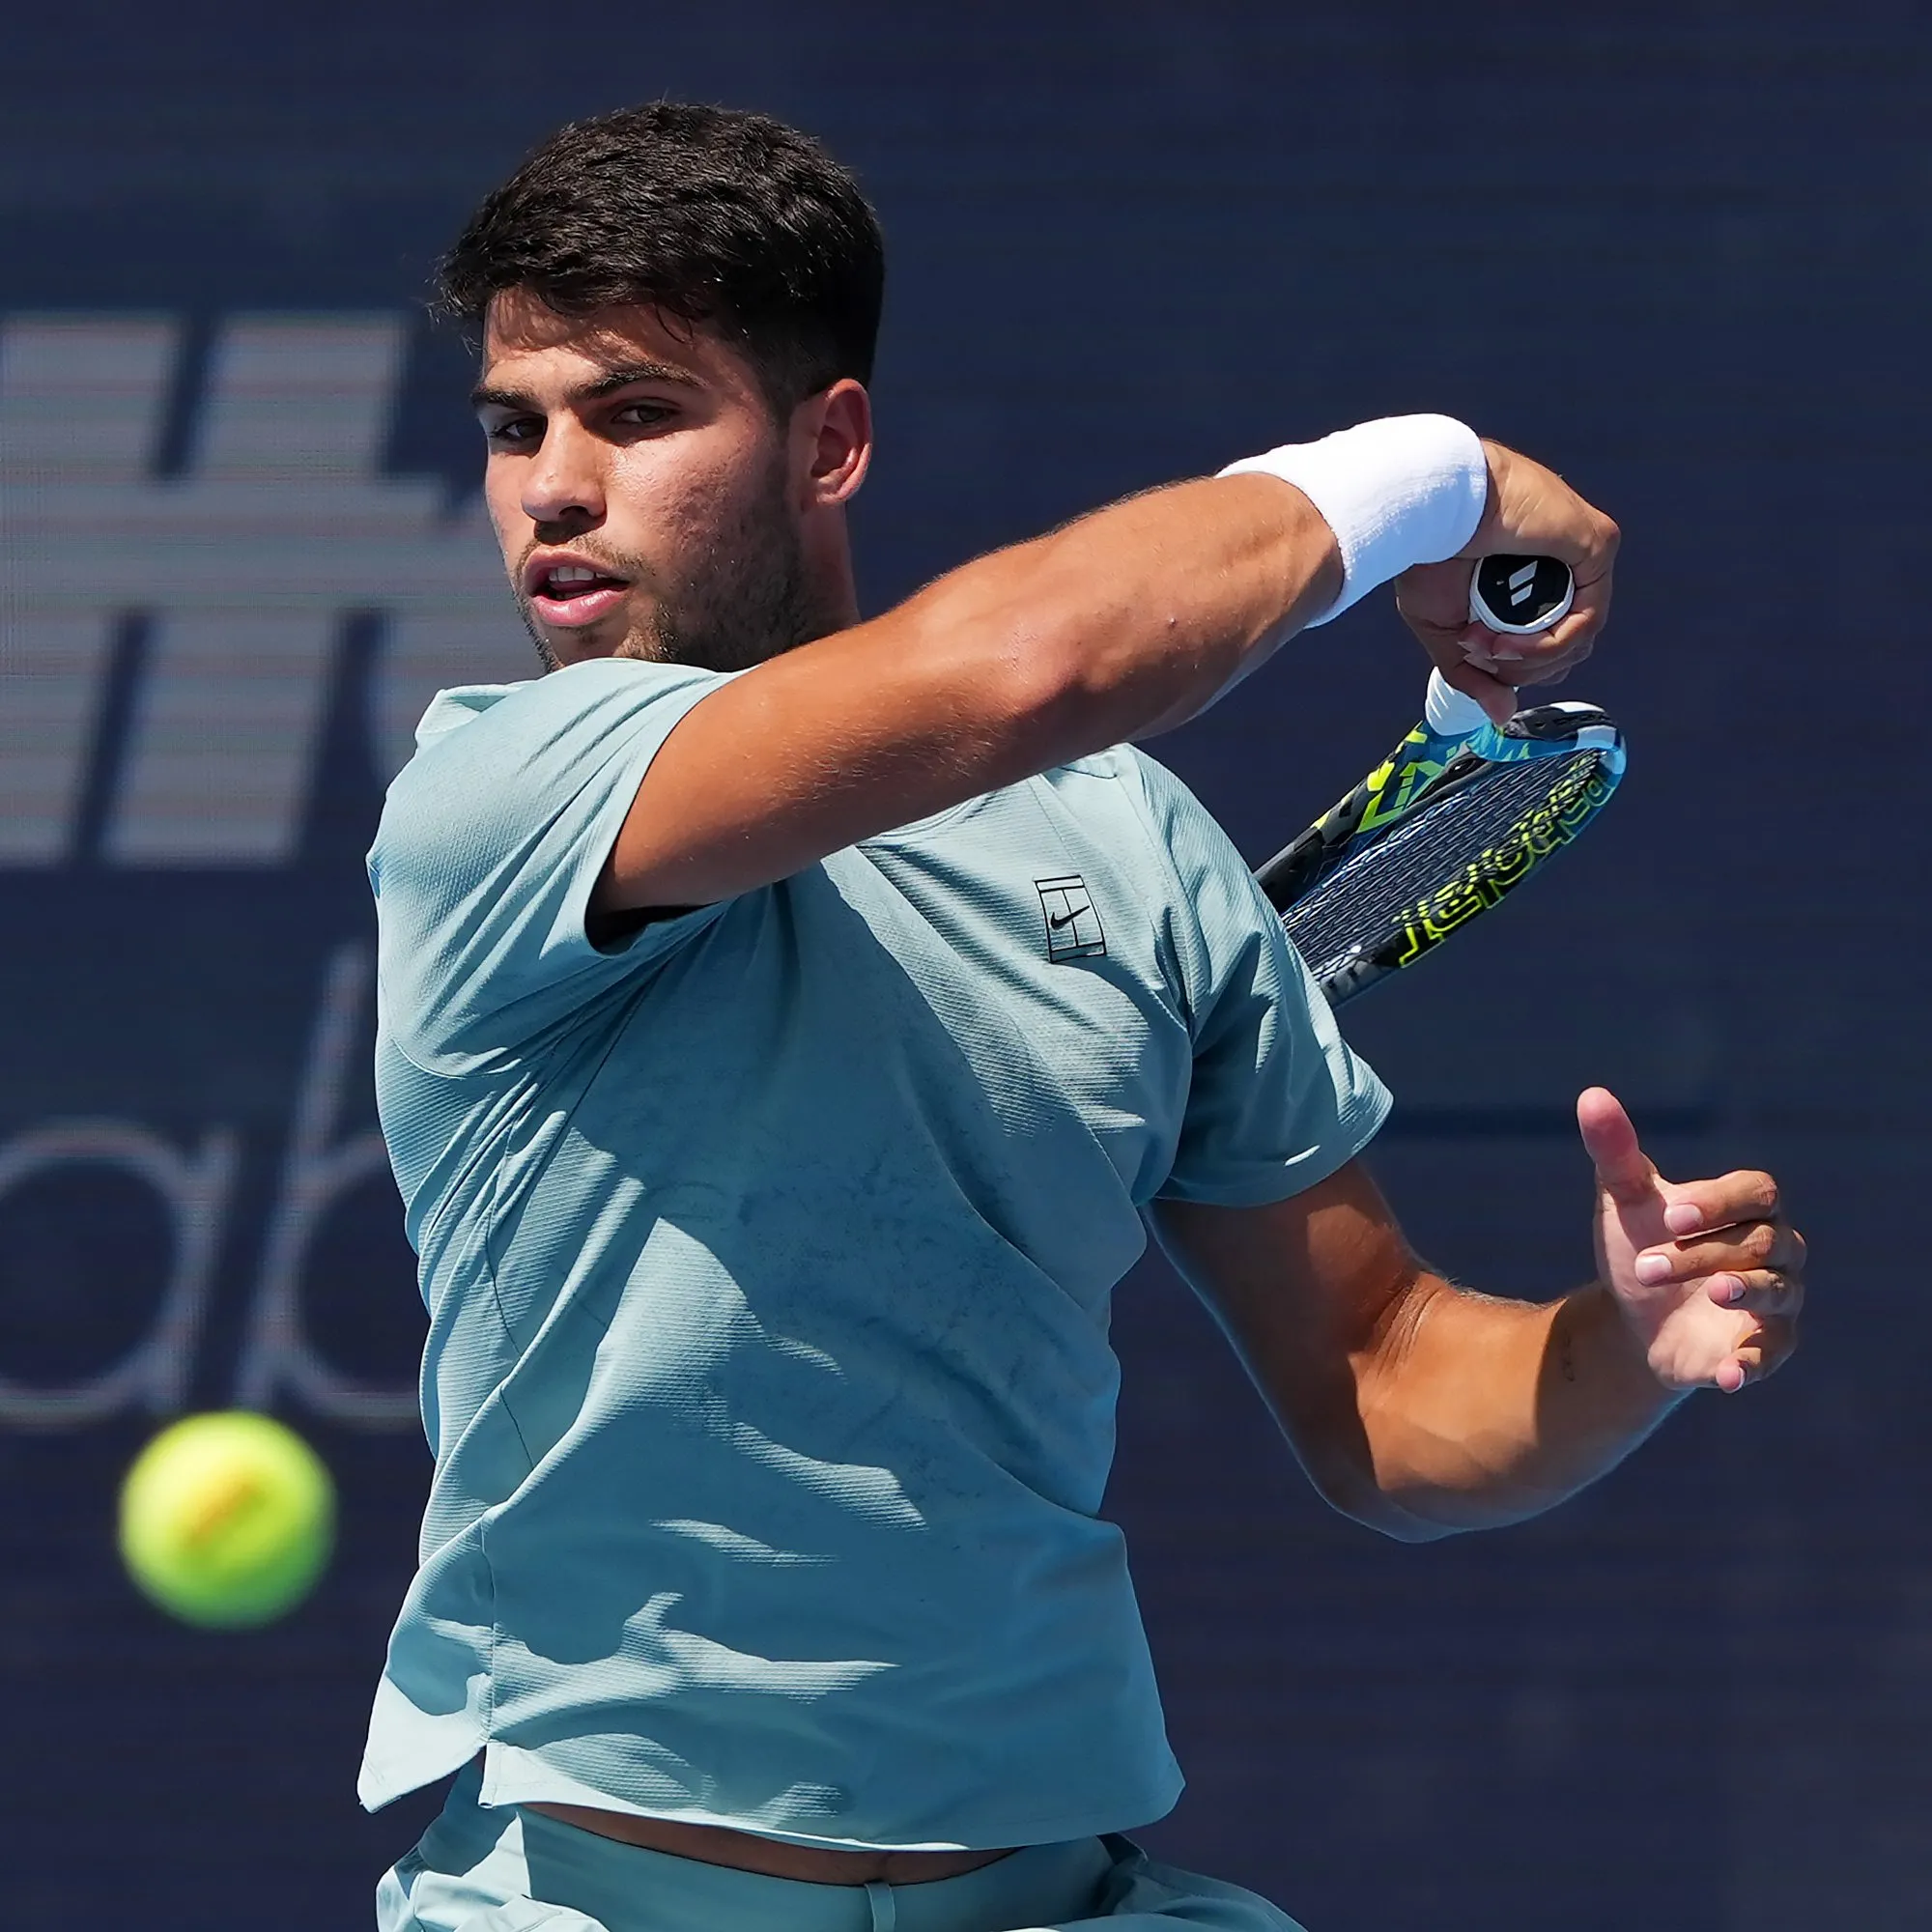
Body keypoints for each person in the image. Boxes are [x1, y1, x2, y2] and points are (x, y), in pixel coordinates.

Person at [363, 102, 1805, 1932]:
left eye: (636, 415)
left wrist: (1620, 1345)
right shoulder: (504, 792)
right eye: (514, 426)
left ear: (833, 443)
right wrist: (1428, 475)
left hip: (1060, 1896)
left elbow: (1380, 1378)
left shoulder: (1121, 835)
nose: (551, 486)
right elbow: (1029, 667)